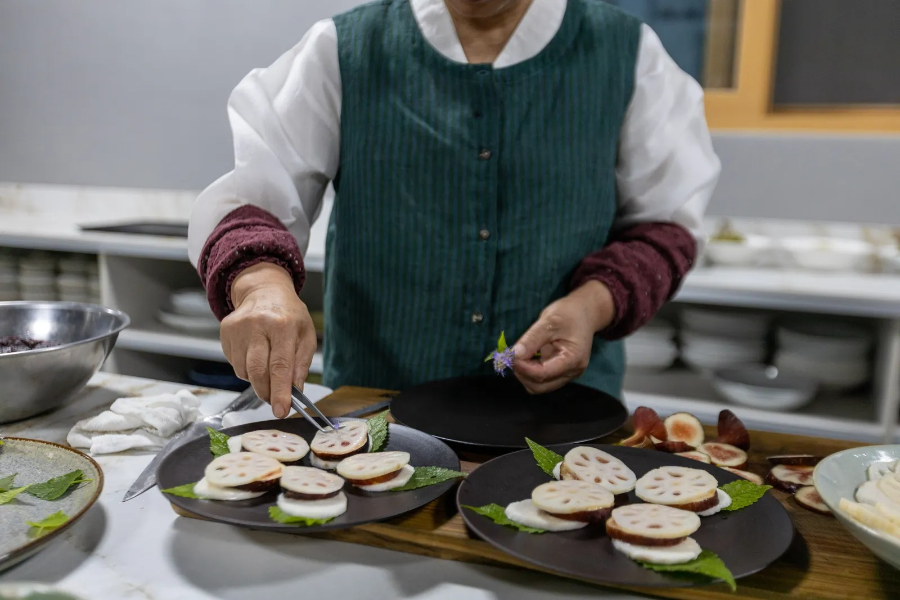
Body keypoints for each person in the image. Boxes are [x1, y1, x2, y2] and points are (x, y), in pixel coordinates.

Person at [188, 0, 720, 419]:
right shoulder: (343, 50)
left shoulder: (627, 52)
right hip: (377, 414)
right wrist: (261, 286)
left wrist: (592, 304)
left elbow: (665, 228)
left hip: (567, 421)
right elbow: (252, 200)